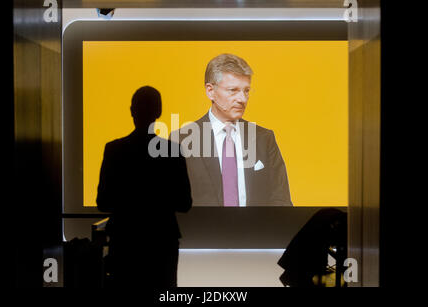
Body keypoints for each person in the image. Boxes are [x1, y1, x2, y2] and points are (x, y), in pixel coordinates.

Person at [96, 86, 192, 288]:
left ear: (132, 111)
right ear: (159, 112)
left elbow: (103, 201)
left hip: (125, 241)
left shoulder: (114, 150)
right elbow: (184, 203)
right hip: (162, 241)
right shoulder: (172, 151)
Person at [171, 53, 292, 207]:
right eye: (233, 90)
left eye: (246, 90)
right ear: (210, 91)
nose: (242, 99)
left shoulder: (264, 138)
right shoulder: (180, 140)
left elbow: (281, 200)